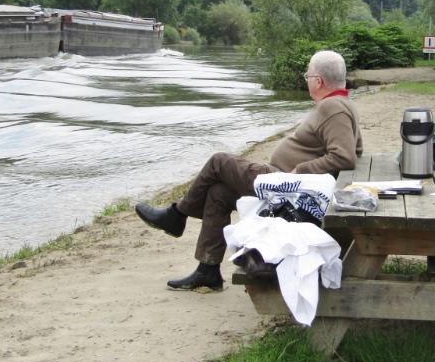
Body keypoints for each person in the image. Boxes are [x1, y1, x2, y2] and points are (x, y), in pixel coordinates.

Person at [134, 50, 363, 291]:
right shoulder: (339, 103)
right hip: (284, 184)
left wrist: (302, 169)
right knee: (219, 193)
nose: (305, 79)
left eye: (307, 74)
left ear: (319, 81)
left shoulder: (333, 108)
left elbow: (344, 156)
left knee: (218, 161)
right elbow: (350, 150)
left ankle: (177, 216)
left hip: (283, 185)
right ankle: (208, 270)